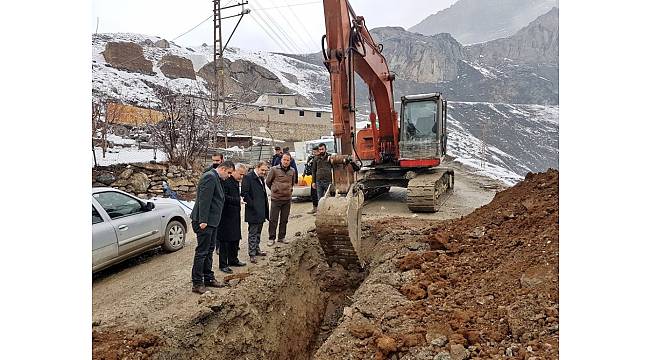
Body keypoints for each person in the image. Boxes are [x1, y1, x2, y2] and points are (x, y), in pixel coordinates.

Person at [190, 160, 235, 294]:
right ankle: (197, 283)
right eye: (228, 173)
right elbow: (204, 199)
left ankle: (208, 278)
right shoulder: (210, 177)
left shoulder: (217, 178)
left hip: (213, 222)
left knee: (209, 251)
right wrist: (203, 220)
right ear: (222, 169)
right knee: (202, 252)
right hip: (205, 222)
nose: (229, 176)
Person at [217, 164, 248, 274]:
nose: (242, 177)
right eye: (240, 174)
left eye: (243, 175)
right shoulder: (225, 181)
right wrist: (237, 200)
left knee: (235, 238)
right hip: (225, 215)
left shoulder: (235, 182)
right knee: (225, 241)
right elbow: (223, 197)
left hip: (234, 214)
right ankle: (223, 264)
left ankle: (233, 259)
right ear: (234, 171)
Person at [241, 161, 270, 264]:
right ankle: (252, 253)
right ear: (257, 168)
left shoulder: (261, 178)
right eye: (262, 170)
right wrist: (253, 205)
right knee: (253, 233)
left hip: (261, 210)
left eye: (265, 170)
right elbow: (244, 193)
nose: (264, 172)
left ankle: (257, 250)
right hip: (253, 211)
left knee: (258, 232)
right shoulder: (248, 177)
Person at [266, 153, 296, 246]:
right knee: (273, 219)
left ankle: (281, 237)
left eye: (288, 160)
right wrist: (275, 190)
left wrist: (289, 190)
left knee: (284, 220)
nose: (286, 162)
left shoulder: (292, 171)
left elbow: (292, 182)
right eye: (284, 160)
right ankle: (271, 238)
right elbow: (268, 182)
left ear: (290, 161)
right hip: (276, 199)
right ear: (281, 160)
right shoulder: (274, 170)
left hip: (287, 199)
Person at [303, 145, 319, 214]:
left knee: (318, 194)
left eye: (315, 152)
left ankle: (319, 209)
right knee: (313, 194)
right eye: (313, 152)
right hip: (313, 178)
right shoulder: (311, 158)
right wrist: (304, 173)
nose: (314, 153)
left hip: (318, 178)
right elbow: (307, 166)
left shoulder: (319, 158)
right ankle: (314, 208)